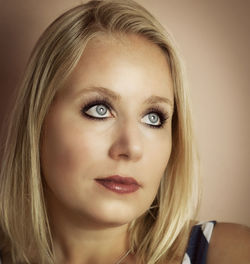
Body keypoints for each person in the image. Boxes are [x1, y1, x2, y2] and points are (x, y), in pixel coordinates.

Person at [0, 0, 249, 263]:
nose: (132, 148)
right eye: (99, 109)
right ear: (38, 121)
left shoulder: (229, 253)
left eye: (153, 118)